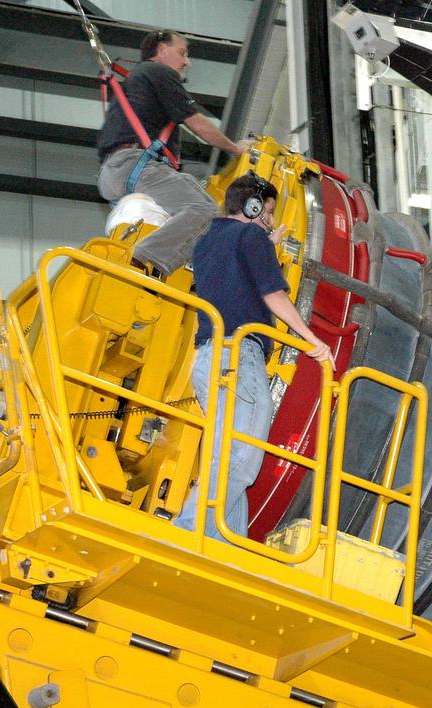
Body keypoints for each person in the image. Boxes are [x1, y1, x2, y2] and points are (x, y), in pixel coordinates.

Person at [174, 174, 332, 542]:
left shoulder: (207, 242)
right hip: (239, 356)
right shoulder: (250, 237)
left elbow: (236, 279)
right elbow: (272, 296)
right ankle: (185, 534)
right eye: (269, 212)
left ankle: (228, 548)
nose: (272, 221)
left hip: (209, 358)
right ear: (253, 207)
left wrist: (268, 246)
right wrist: (311, 341)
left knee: (227, 460)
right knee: (242, 461)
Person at [96, 29, 250, 278]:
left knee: (190, 199)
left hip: (118, 171)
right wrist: (235, 148)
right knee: (204, 209)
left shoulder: (141, 81)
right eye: (182, 52)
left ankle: (159, 264)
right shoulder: (159, 72)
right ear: (162, 51)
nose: (186, 61)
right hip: (135, 165)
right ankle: (143, 260)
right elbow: (198, 124)